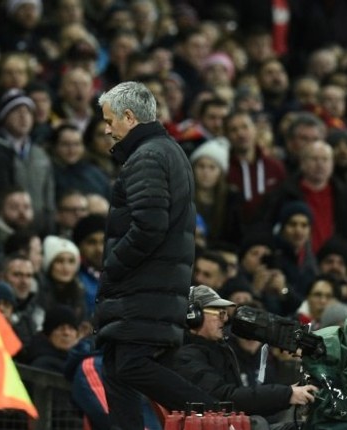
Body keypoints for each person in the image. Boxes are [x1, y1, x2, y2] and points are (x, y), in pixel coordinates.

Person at [95, 81, 216, 428]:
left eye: (109, 121)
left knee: (131, 365)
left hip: (143, 291)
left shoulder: (148, 156)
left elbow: (149, 226)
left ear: (129, 117)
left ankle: (219, 415)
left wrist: (113, 266)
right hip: (151, 289)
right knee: (117, 369)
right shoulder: (165, 151)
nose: (106, 129)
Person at [174, 286, 317, 430]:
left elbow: (240, 403)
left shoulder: (217, 349)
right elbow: (226, 398)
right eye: (219, 313)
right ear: (194, 315)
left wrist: (289, 392)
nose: (226, 318)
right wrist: (286, 395)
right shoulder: (185, 356)